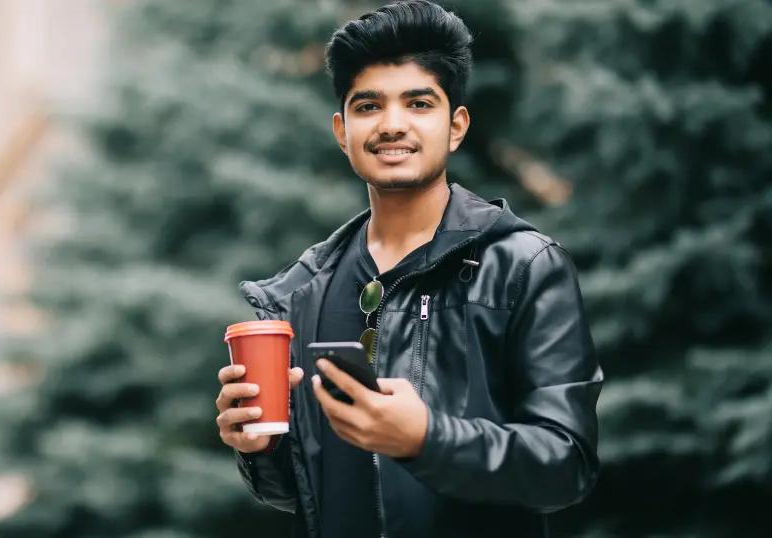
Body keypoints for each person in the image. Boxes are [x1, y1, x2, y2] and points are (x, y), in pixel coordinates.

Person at [214, 1, 603, 536]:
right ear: (342, 130)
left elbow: (566, 466)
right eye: (368, 106)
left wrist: (428, 439)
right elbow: (309, 490)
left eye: (418, 103)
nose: (392, 124)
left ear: (456, 125)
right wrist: (259, 447)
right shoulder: (306, 290)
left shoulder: (523, 265)